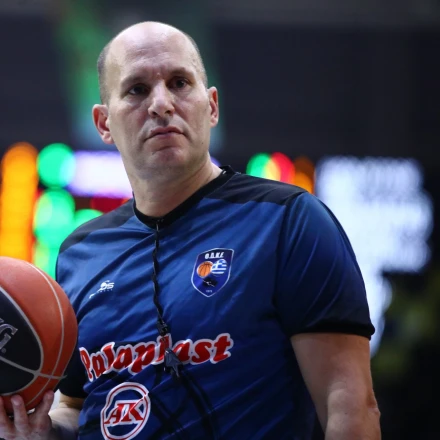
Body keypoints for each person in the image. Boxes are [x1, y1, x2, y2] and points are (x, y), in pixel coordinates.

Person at [0, 21, 381, 439]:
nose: (161, 104)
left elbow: (348, 403)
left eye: (179, 83)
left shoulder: (288, 220)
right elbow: (76, 405)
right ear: (104, 123)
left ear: (212, 106)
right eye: (137, 89)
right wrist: (39, 431)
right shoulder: (80, 252)